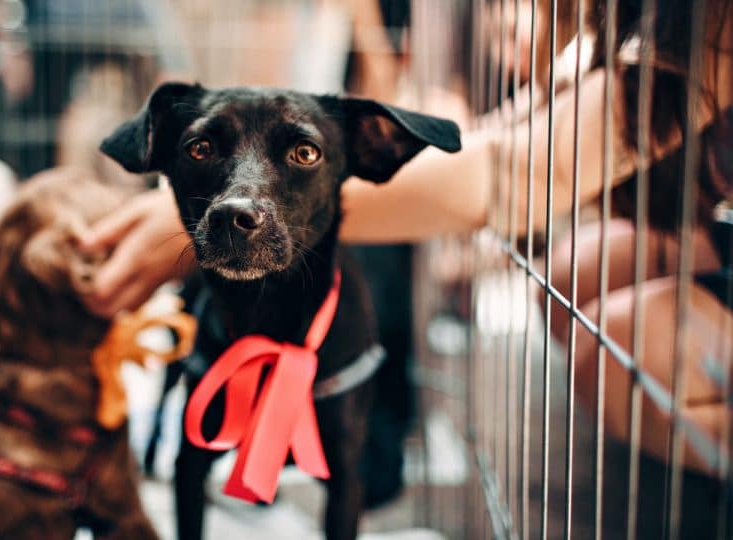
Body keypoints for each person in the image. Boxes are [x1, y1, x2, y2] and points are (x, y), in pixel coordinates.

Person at [80, 0, 731, 534]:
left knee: (623, 350)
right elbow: (522, 144)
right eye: (200, 147)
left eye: (304, 153)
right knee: (573, 268)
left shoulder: (708, 29)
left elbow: (523, 170)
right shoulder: (646, 37)